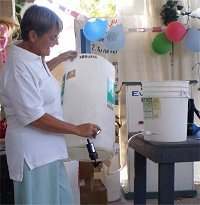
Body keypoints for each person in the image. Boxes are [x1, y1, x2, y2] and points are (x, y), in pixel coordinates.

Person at [0, 4, 101, 205]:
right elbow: (34, 116)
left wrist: (60, 58)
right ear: (33, 35)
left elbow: (38, 75)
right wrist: (76, 129)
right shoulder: (17, 68)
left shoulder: (32, 56)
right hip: (33, 155)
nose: (55, 42)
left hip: (49, 150)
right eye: (52, 37)